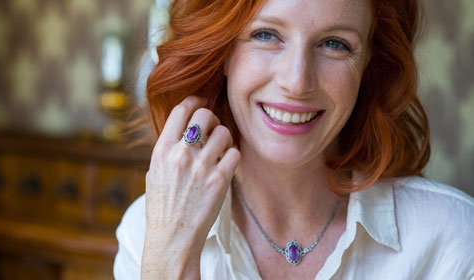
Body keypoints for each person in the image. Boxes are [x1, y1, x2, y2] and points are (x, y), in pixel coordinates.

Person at [114, 0, 474, 279]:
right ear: (222, 53)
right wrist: (171, 261)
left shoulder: (451, 238)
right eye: (266, 35)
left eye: (335, 44)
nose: (297, 81)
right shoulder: (146, 231)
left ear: (369, 65)